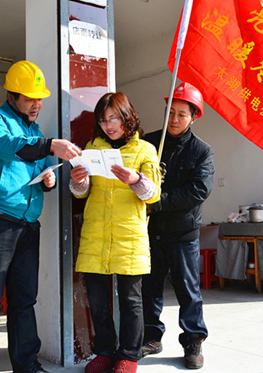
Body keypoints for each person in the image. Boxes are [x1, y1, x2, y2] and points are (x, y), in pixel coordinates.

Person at [0, 60, 81, 373]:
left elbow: (29, 166)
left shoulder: (35, 131)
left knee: (24, 300)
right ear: (11, 95)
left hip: (27, 225)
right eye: (29, 97)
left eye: (39, 98)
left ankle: (27, 364)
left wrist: (47, 179)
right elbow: (6, 147)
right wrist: (48, 145)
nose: (36, 104)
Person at [70, 92, 161, 373]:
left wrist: (135, 180)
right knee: (97, 300)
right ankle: (105, 351)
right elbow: (82, 193)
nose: (109, 125)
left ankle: (129, 355)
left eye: (113, 118)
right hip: (96, 233)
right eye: (103, 120)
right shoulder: (91, 148)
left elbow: (154, 195)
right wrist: (79, 182)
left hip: (129, 236)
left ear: (126, 117)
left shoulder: (145, 149)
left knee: (131, 301)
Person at [141, 83, 214, 369]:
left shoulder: (201, 151)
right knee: (150, 286)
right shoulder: (149, 143)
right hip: (151, 229)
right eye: (170, 112)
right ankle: (151, 336)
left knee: (187, 289)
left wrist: (158, 201)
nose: (173, 119)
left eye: (181, 114)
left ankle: (193, 340)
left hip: (183, 232)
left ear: (193, 117)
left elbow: (198, 191)